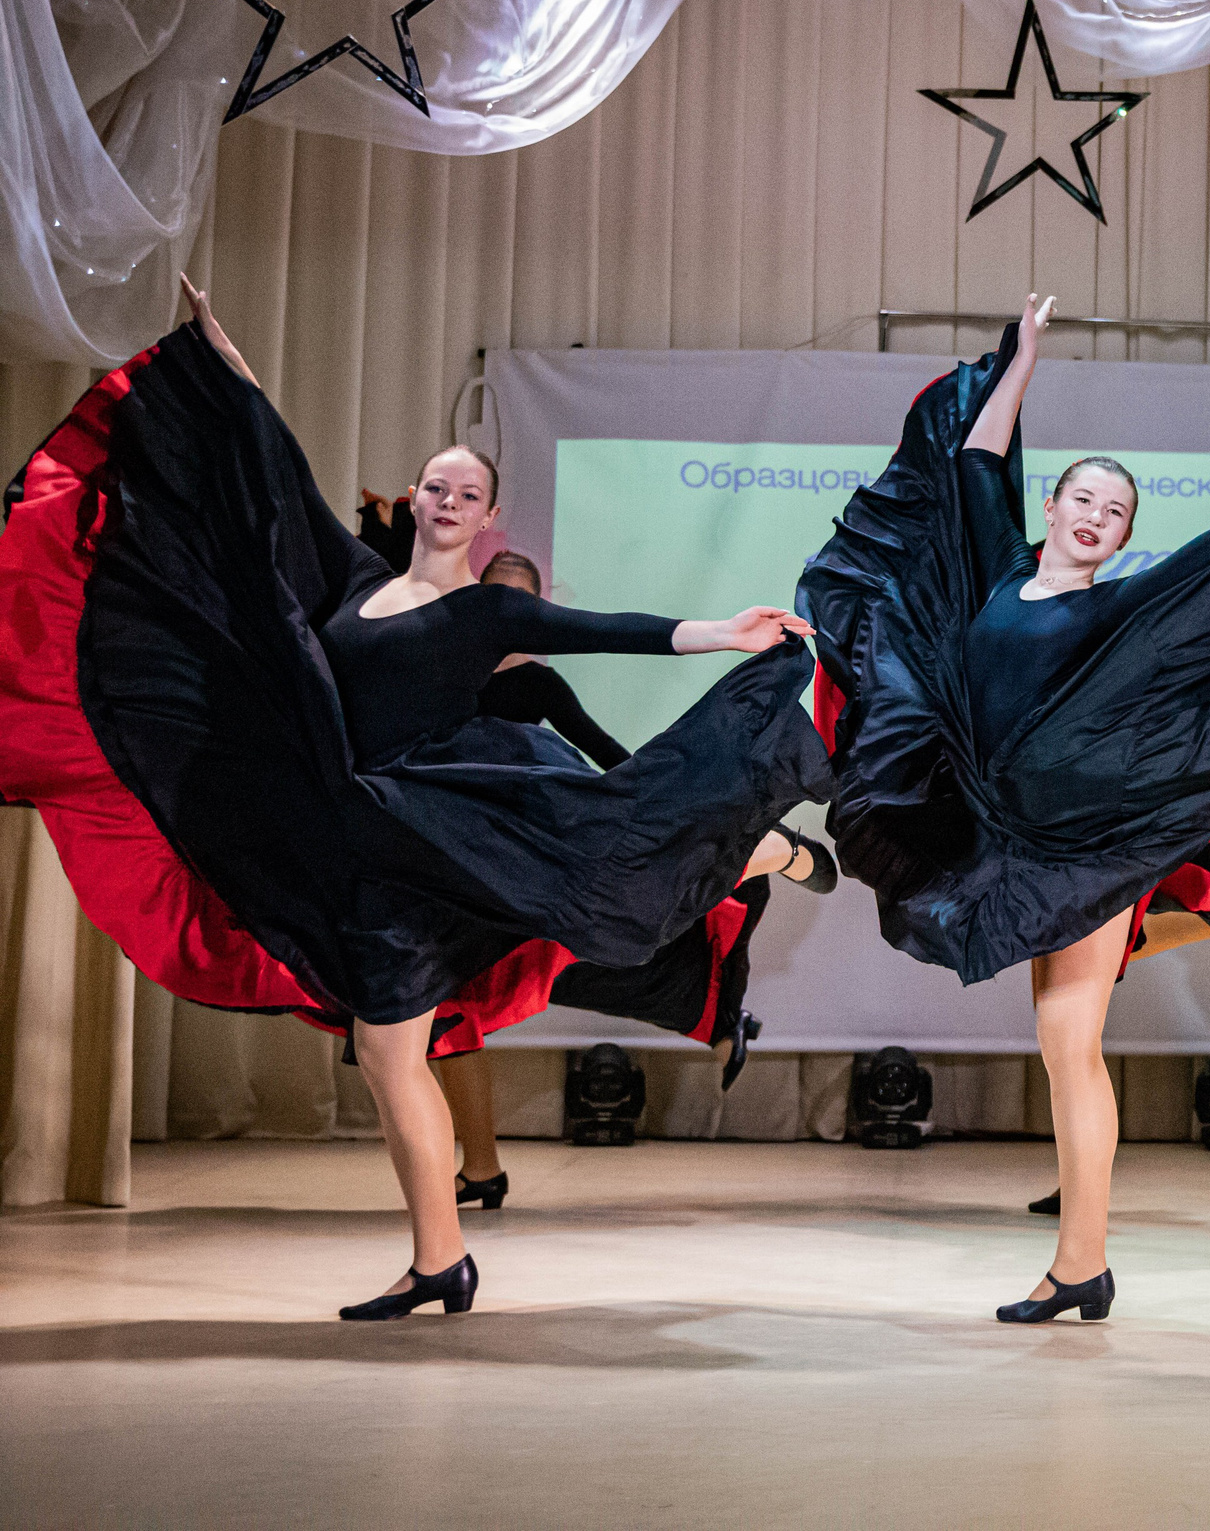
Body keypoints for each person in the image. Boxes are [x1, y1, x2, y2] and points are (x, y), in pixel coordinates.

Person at [0, 280, 832, 1320]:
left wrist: (723, 632)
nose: (446, 501)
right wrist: (219, 353)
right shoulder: (351, 580)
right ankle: (441, 1259)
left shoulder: (487, 612)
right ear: (415, 496)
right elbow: (275, 470)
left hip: (443, 837)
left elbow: (614, 629)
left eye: (466, 494)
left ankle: (761, 851)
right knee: (390, 1057)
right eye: (436, 486)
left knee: (612, 871)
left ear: (487, 517)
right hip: (363, 850)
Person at [801, 294, 1210, 1324]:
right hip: (999, 833)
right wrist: (1023, 358)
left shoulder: (1116, 609)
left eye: (1114, 513)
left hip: (1084, 840)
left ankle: (1082, 1264)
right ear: (1055, 504)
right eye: (1083, 499)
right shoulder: (1000, 576)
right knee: (1052, 1019)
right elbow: (976, 458)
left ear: (1121, 538)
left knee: (1069, 1042)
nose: (1095, 516)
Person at [427, 549, 843, 1209]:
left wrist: (660, 818)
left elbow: (608, 756)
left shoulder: (538, 685)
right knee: (460, 998)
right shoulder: (441, 676)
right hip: (466, 856)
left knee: (492, 984)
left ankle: (765, 854)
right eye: (493, 599)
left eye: (521, 604)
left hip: (526, 847)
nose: (505, 615)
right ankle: (481, 1167)